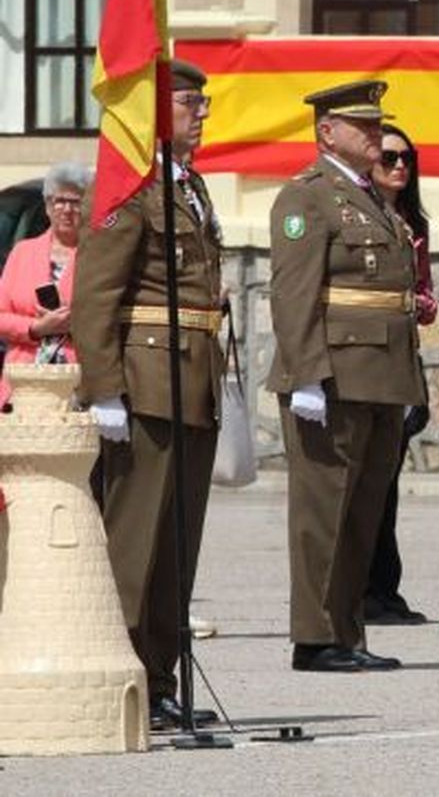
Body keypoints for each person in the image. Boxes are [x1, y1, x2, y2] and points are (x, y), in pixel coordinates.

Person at [72, 59, 225, 725]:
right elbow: (96, 295)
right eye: (192, 102)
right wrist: (105, 388)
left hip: (192, 379)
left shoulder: (191, 187)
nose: (202, 113)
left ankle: (161, 677)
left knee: (175, 549)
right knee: (134, 543)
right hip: (146, 382)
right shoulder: (128, 191)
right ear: (158, 110)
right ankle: (121, 677)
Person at [269, 79, 425, 672]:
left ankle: (347, 631)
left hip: (380, 377)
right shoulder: (307, 197)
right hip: (333, 376)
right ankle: (314, 636)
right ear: (327, 132)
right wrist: (306, 374)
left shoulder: (370, 196)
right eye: (363, 126)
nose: (375, 135)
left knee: (362, 513)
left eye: (377, 124)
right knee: (323, 514)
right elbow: (294, 294)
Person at [360, 123, 435, 626]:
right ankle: (361, 589)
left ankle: (385, 587)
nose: (400, 168)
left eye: (406, 159)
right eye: (389, 159)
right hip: (366, 361)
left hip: (403, 358)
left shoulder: (411, 223)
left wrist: (421, 302)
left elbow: (424, 295)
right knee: (363, 485)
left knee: (387, 484)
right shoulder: (358, 218)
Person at [0, 161, 88, 407]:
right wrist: (36, 327)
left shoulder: (96, 256)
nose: (66, 209)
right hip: (23, 382)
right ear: (47, 206)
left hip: (76, 383)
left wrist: (71, 325)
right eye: (59, 200)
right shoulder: (22, 252)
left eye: (76, 202)